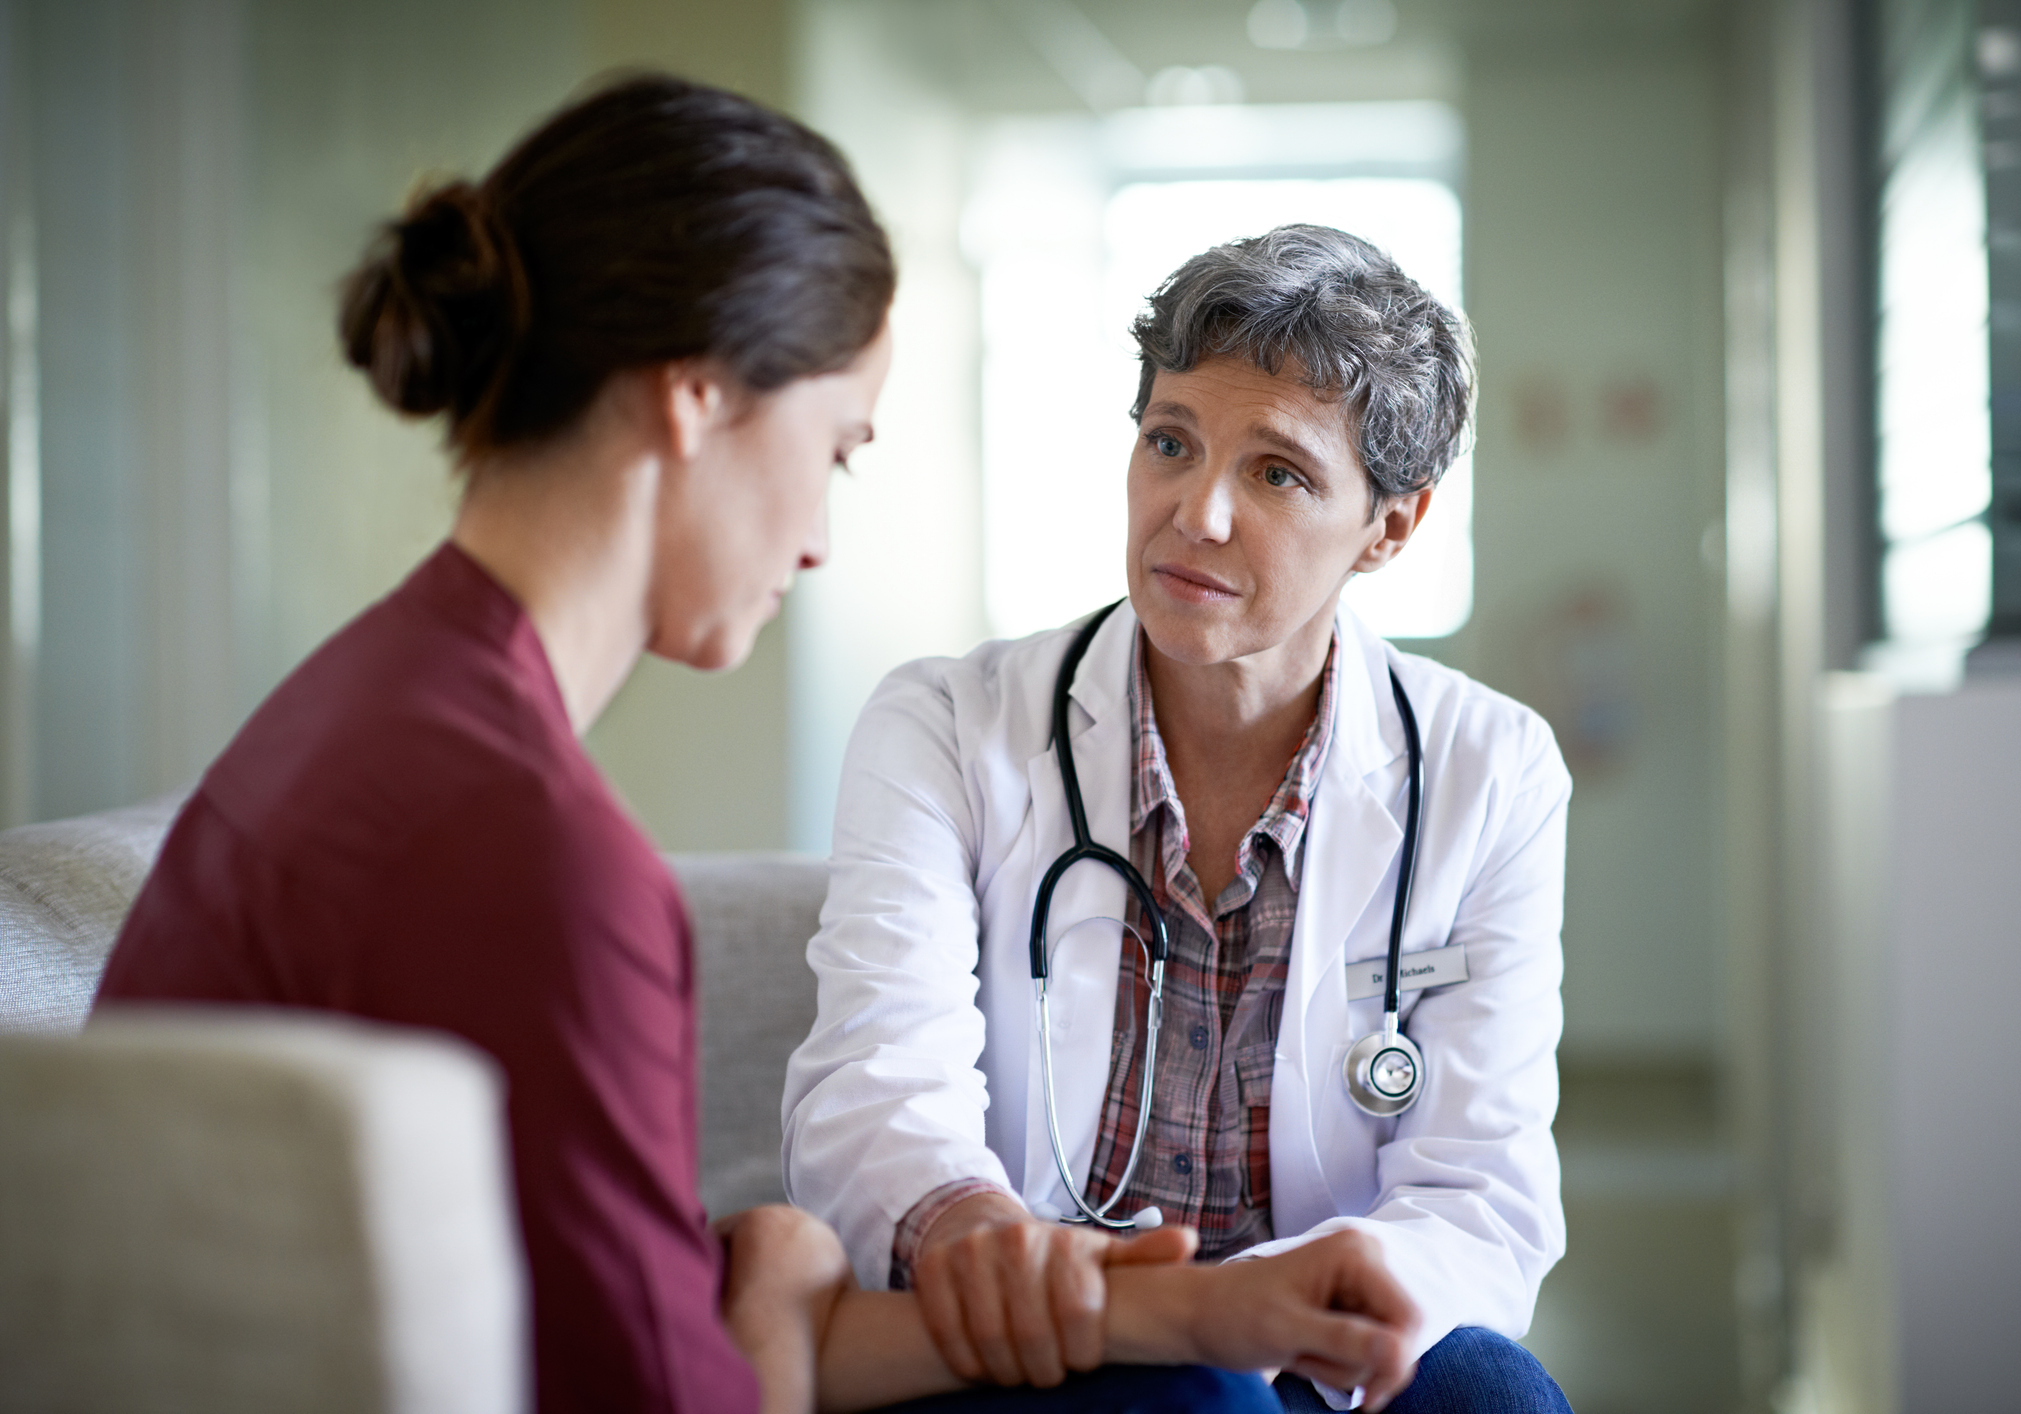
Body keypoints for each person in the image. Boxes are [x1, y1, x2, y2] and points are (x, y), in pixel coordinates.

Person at [93, 78, 1426, 1414]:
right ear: (696, 398)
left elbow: (618, 1307)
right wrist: (780, 1285)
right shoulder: (527, 848)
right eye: (834, 450)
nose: (816, 539)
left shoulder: (373, 699)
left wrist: (1170, 1304)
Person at [783, 225, 1575, 1413]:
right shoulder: (946, 726)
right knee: (1199, 1397)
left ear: (1390, 526)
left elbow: (1479, 1190)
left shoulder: (1490, 769)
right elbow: (875, 1087)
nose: (1195, 512)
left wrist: (1252, 1316)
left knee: (1489, 1396)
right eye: (1170, 442)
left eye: (1278, 472)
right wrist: (985, 1234)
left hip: (1325, 1323)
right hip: (1051, 1329)